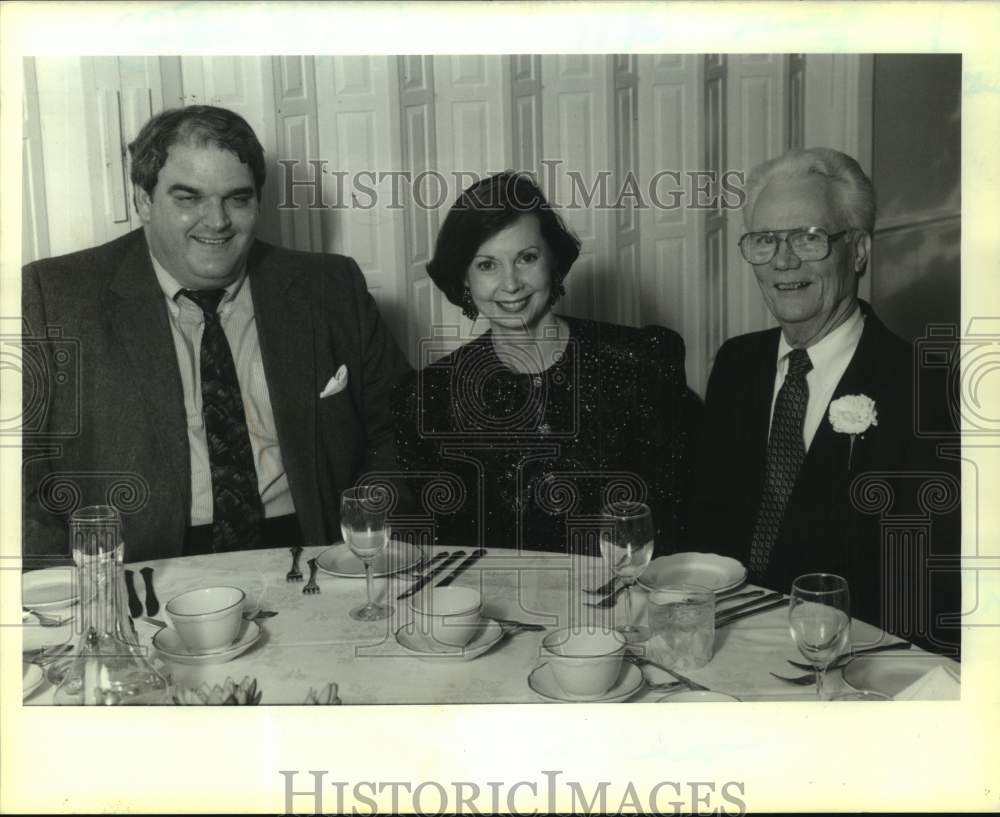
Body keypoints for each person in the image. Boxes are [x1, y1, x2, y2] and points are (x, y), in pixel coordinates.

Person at [22, 105, 410, 563]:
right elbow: (19, 471)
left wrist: (366, 541)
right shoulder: (56, 296)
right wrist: (68, 594)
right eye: (188, 198)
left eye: (237, 198)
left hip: (308, 550)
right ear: (144, 201)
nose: (217, 220)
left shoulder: (329, 287)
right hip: (141, 565)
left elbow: (401, 428)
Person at [692, 147, 960, 654]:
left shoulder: (929, 392)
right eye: (765, 240)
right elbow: (708, 525)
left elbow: (928, 596)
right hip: (722, 644)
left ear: (858, 251)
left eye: (810, 238)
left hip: (844, 661)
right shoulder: (737, 364)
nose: (783, 260)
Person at [392, 172, 700, 555]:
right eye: (487, 265)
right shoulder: (431, 395)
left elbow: (680, 520)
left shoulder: (641, 362)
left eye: (526, 258)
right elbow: (443, 548)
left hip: (627, 602)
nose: (511, 284)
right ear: (464, 279)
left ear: (553, 260)